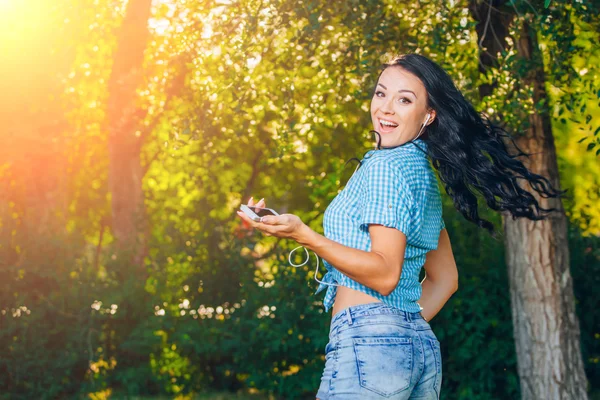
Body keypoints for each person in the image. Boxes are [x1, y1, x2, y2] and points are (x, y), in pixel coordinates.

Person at [236, 54, 562, 399]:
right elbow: (446, 279)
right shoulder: (421, 175)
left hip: (370, 344)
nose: (386, 108)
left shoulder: (386, 168)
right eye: (381, 94)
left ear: (428, 115)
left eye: (404, 100)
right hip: (417, 346)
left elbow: (385, 272)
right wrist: (401, 328)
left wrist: (303, 235)